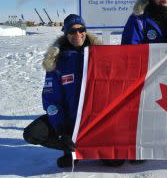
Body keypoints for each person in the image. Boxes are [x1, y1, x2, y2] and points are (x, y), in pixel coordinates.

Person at [22, 14, 123, 168]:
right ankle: (71, 149)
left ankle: (92, 146)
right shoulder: (57, 61)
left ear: (85, 31)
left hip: (97, 121)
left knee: (116, 163)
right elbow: (52, 100)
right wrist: (61, 130)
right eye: (72, 31)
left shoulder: (102, 55)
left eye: (81, 29)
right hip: (70, 122)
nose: (77, 34)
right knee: (32, 133)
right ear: (65, 33)